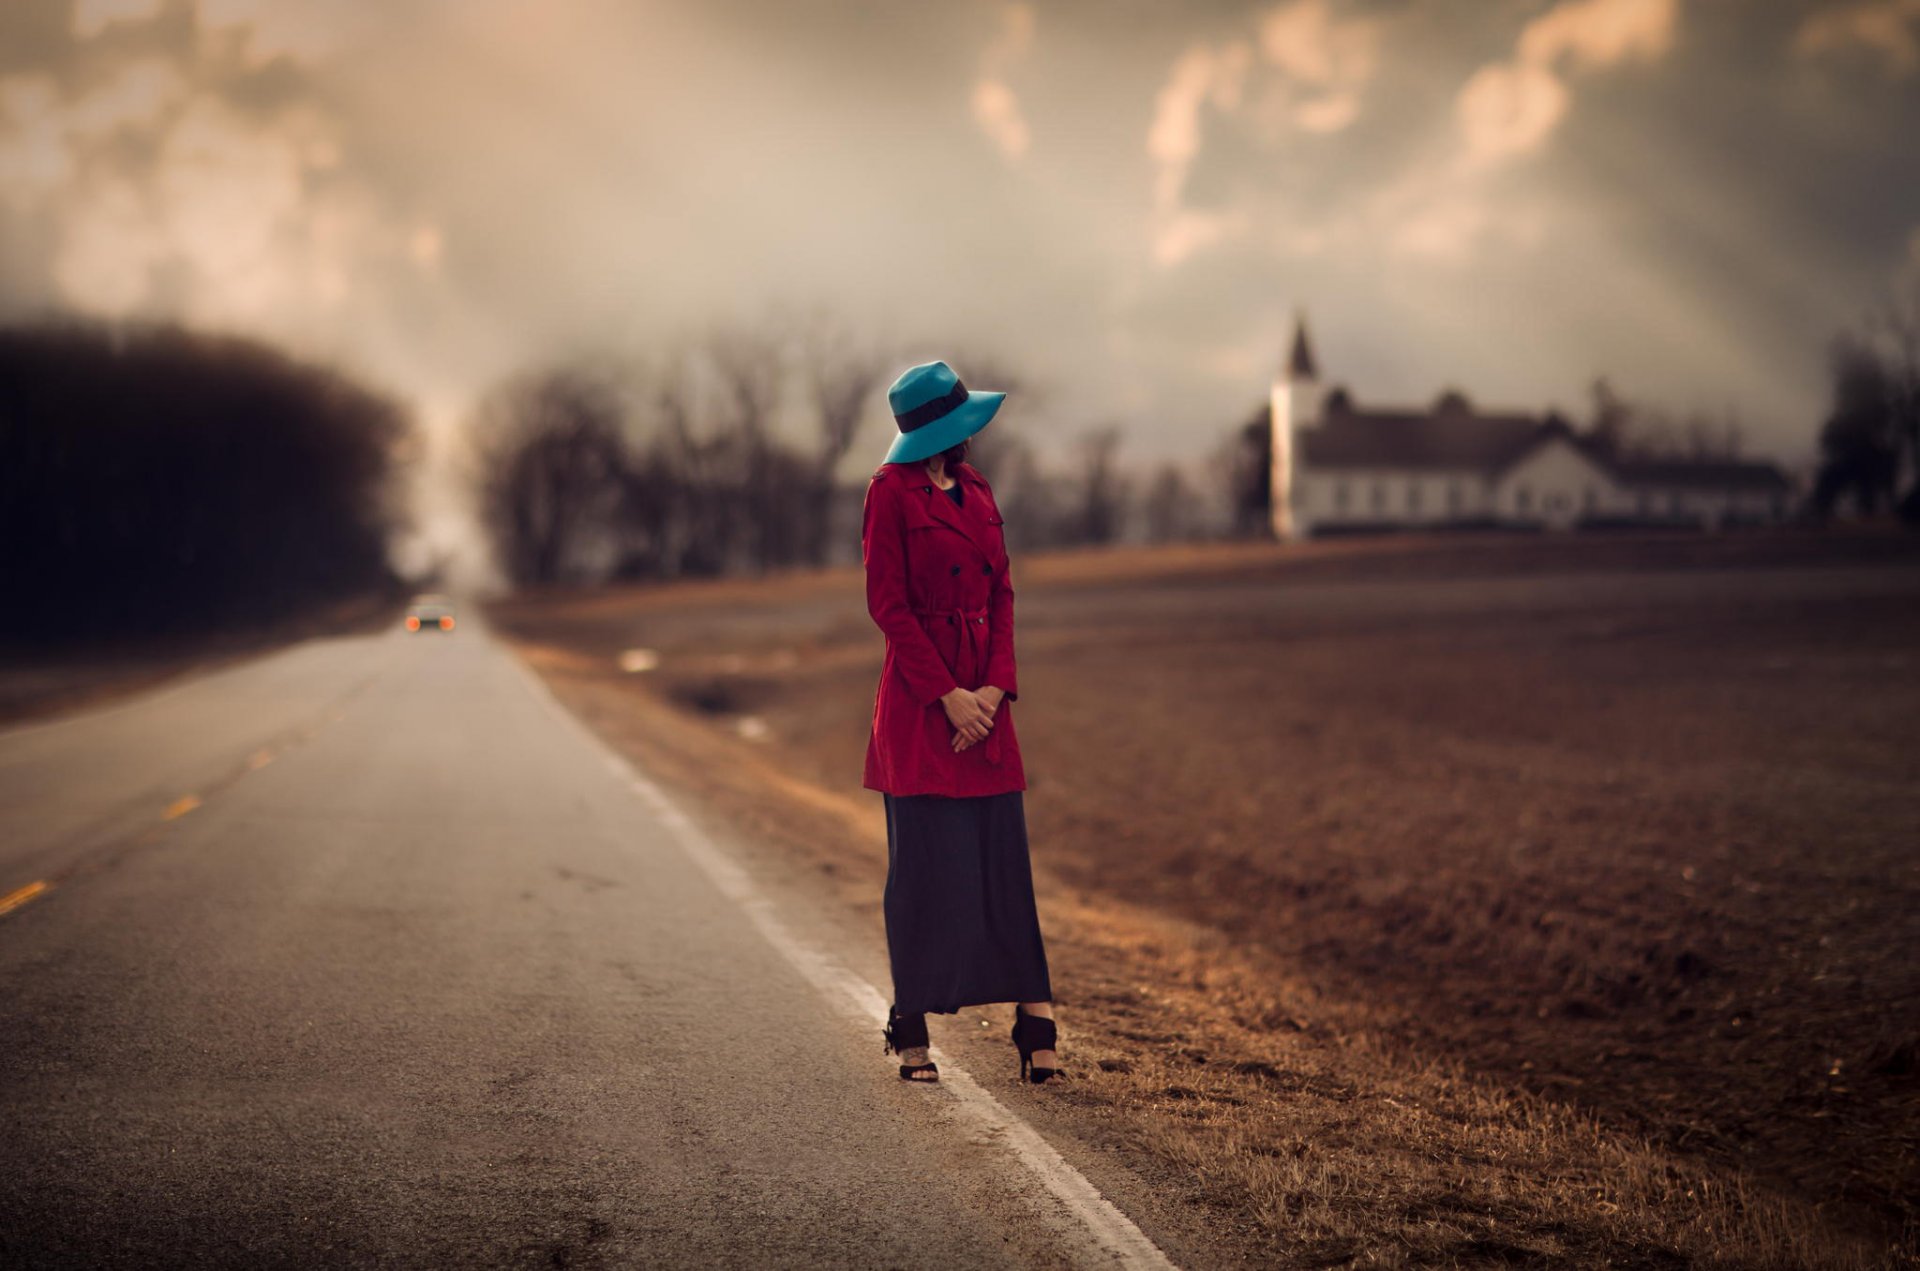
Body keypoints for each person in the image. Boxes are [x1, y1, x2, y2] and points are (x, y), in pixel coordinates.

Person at [860, 359, 1059, 1085]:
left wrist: (996, 690)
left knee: (1004, 867)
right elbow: (889, 607)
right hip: (922, 708)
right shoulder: (888, 492)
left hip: (986, 705)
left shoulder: (977, 489)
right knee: (924, 873)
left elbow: (1003, 591)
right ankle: (911, 1024)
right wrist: (948, 695)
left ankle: (1035, 1021)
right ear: (942, 427)